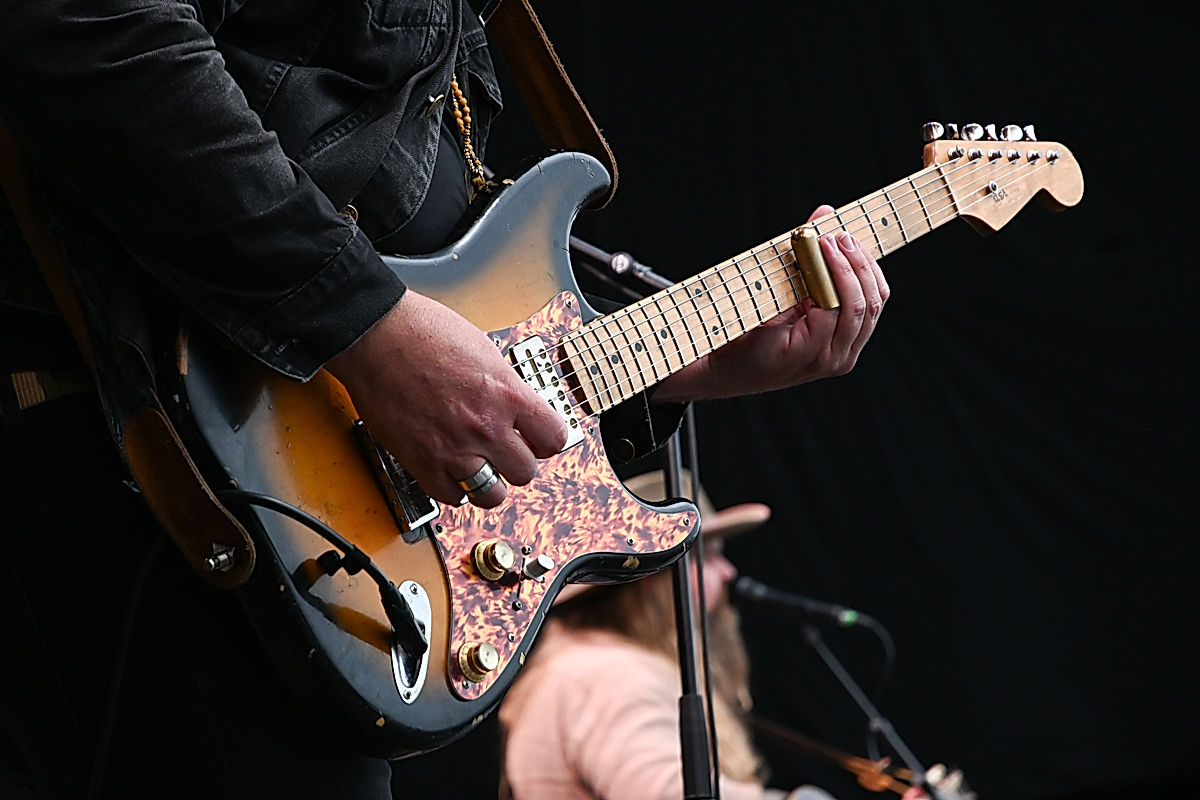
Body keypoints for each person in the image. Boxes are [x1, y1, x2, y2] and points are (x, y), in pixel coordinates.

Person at [0, 2, 888, 798]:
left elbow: (431, 250)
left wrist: (682, 363)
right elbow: (89, 26)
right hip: (148, 454)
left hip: (273, 492)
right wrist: (367, 328)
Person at [498, 470, 932, 800]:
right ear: (654, 579)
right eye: (707, 557)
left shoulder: (585, 664)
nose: (730, 573)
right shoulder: (607, 674)